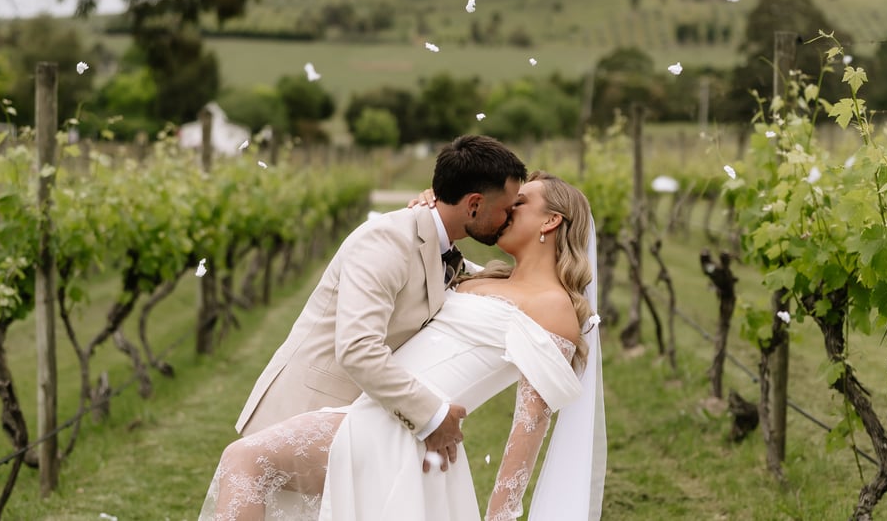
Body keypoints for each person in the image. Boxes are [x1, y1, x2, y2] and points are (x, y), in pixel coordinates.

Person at [199, 171, 606, 520]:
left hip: (398, 433)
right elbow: (432, 258)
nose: (506, 209)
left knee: (244, 460)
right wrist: (434, 213)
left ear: (551, 220)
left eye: (519, 202)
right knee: (247, 462)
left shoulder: (554, 308)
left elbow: (529, 425)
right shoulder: (483, 277)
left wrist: (500, 515)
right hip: (381, 411)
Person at [235, 134, 528, 473]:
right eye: (506, 209)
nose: (510, 218)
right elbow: (358, 348)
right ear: (474, 204)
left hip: (353, 425)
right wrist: (432, 416)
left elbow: (486, 284)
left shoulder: (442, 248)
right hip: (301, 415)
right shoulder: (386, 241)